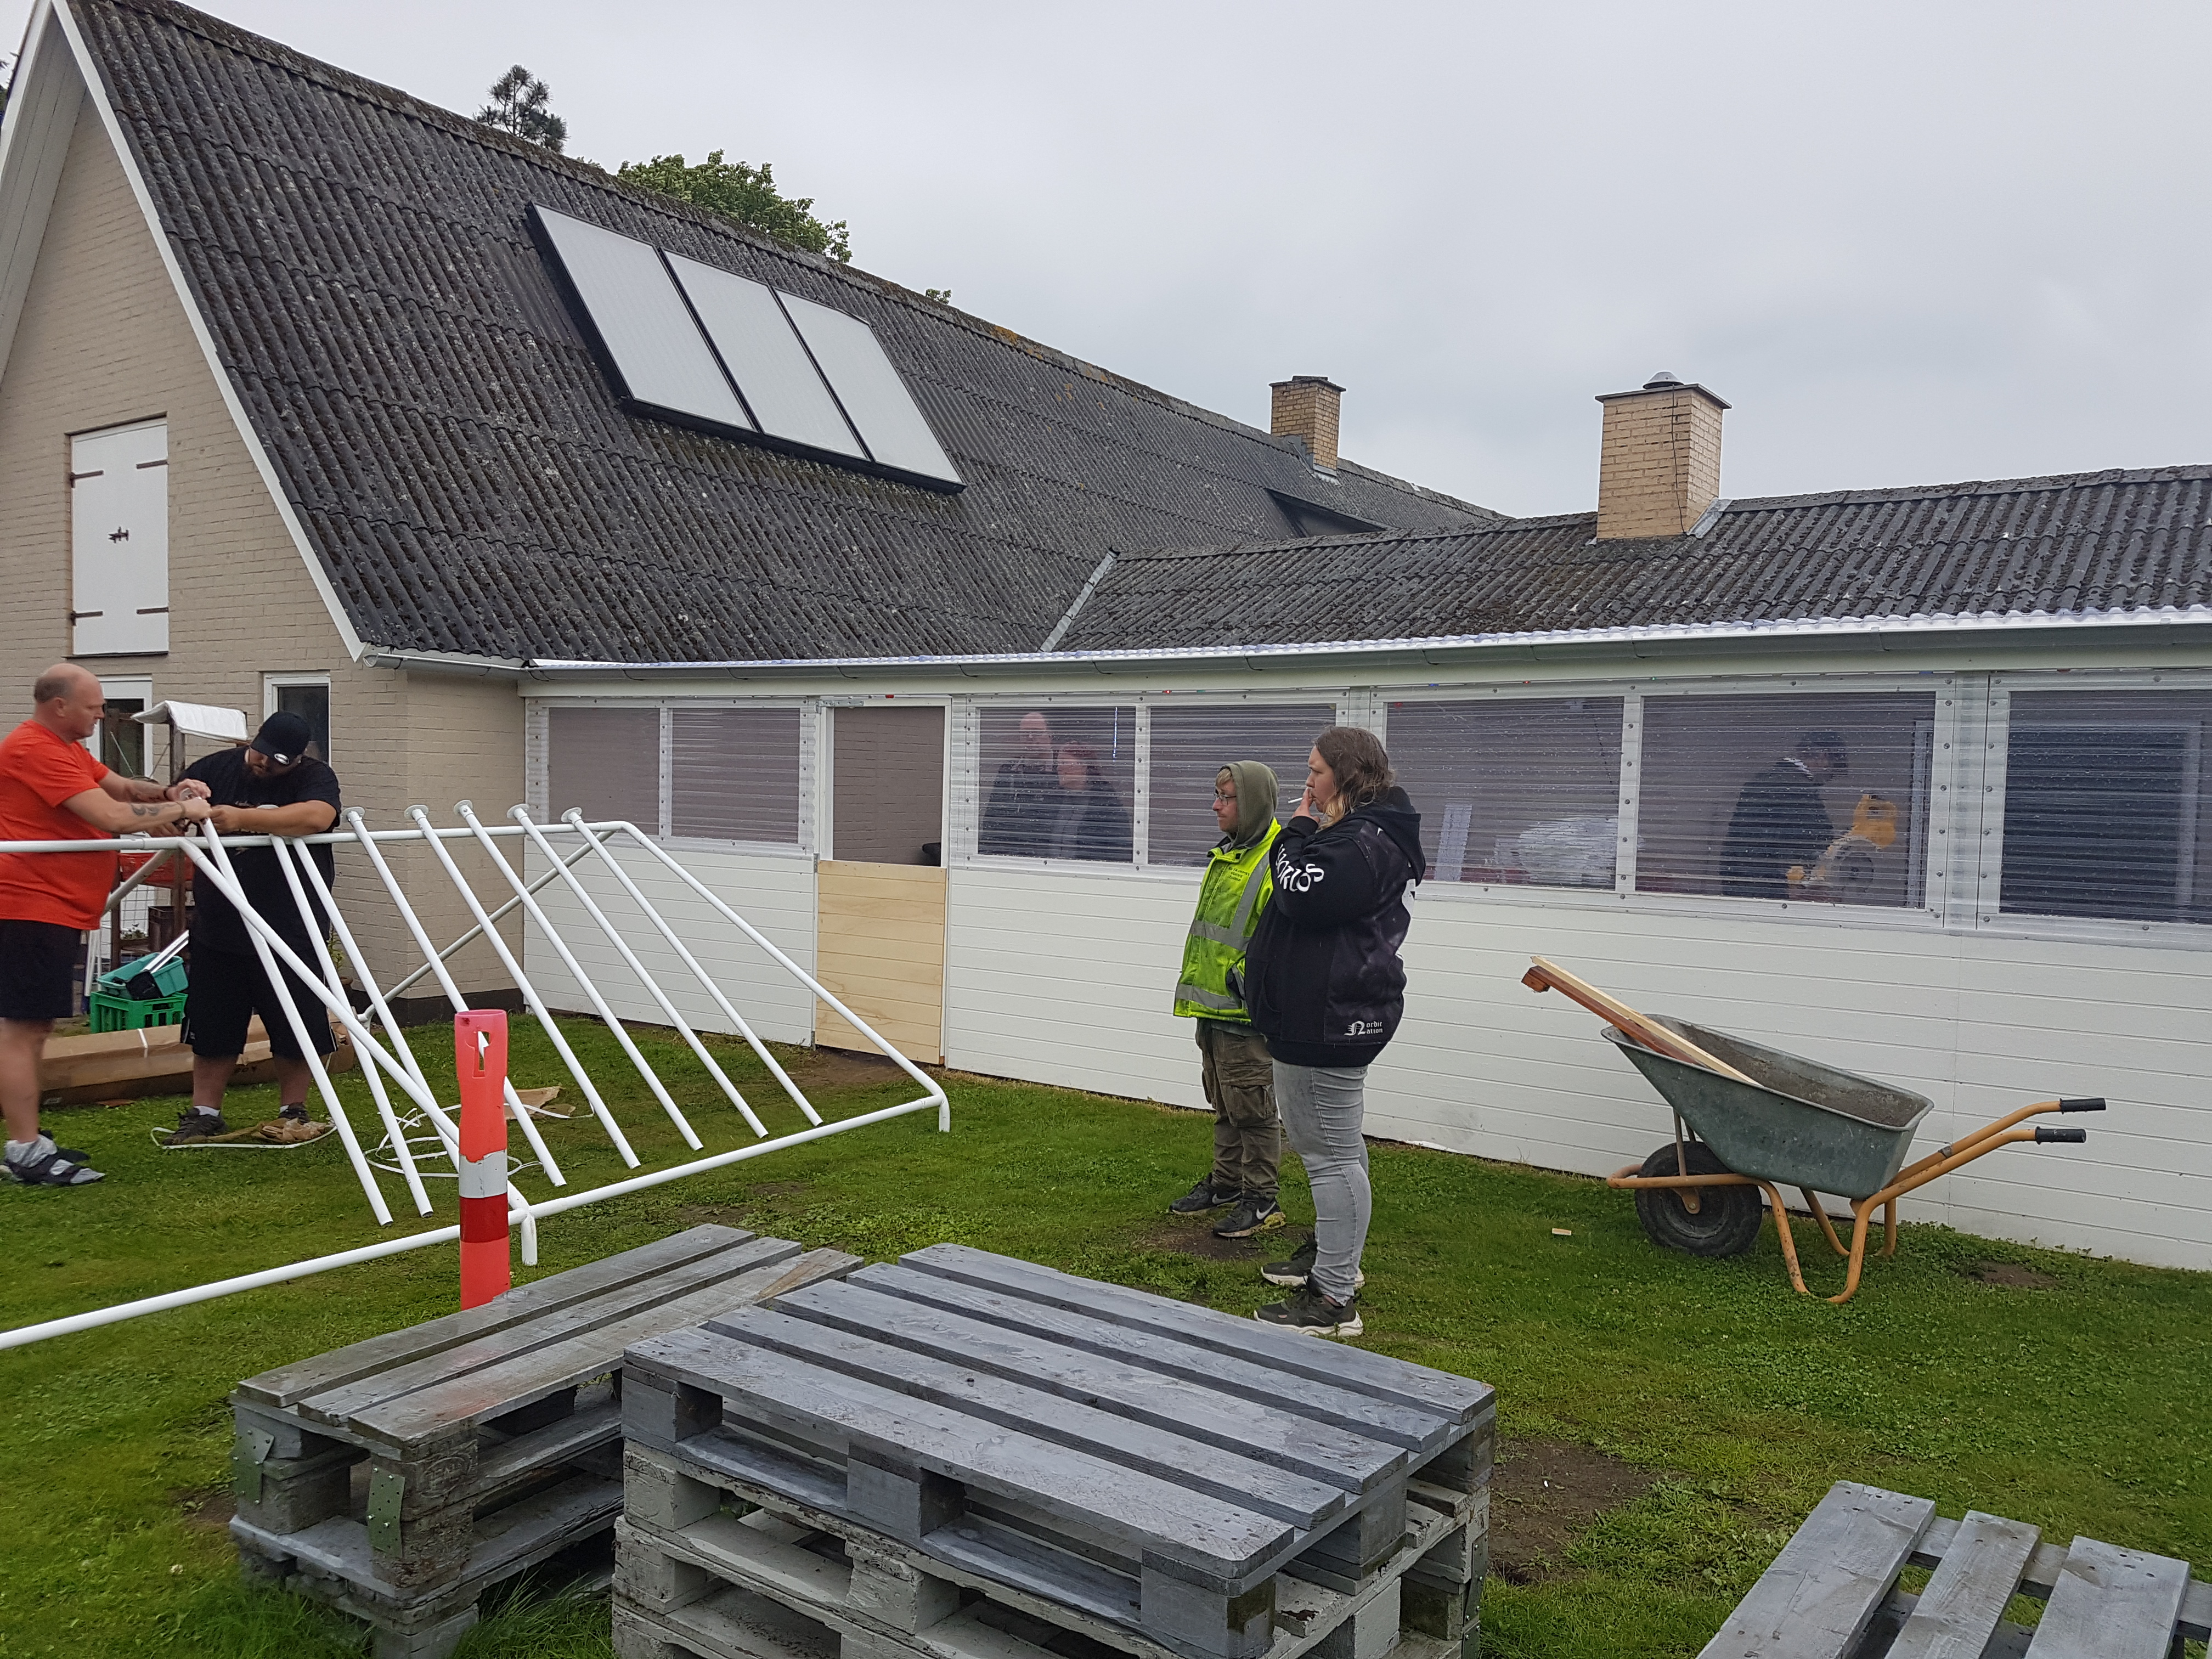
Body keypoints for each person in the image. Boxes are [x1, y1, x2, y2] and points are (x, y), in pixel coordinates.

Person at [1243, 725, 1424, 1336]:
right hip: (1328, 1014)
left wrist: (1294, 831)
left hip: (1328, 1018)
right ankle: (1335, 1258)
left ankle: (1333, 1298)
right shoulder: (1362, 835)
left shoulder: (1364, 842)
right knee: (1337, 1149)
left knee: (1328, 1156)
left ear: (1345, 776)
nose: (1308, 783)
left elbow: (1300, 892)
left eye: (1316, 771)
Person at [0, 665, 212, 1186]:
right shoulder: (35, 749)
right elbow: (112, 817)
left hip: (54, 906)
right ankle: (24, 1149)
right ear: (60, 707)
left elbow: (121, 788)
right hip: (29, 906)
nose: (101, 716)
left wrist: (169, 793)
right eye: (94, 708)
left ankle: (29, 1138)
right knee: (22, 1030)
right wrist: (190, 807)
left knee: (36, 1027)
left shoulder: (68, 749)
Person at [168, 710, 343, 1143]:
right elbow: (174, 806)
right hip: (220, 922)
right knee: (213, 1023)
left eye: (278, 762)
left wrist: (242, 820)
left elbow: (318, 817)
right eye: (261, 754)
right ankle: (205, 1111)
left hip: (291, 926)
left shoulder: (316, 777)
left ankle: (293, 1110)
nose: (265, 764)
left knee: (296, 1022)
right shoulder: (216, 768)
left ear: (297, 760)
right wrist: (181, 799)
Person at [1167, 761, 1285, 1240]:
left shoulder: (1277, 859)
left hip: (1244, 1014)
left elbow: (1280, 942)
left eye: (1226, 797)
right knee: (1224, 1101)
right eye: (1216, 795)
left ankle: (1262, 1199)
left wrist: (1244, 982)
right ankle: (1226, 1184)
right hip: (1213, 1009)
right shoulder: (1229, 855)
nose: (1215, 806)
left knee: (1253, 1109)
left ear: (1252, 803)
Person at [1718, 730, 1847, 900]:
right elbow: (1806, 844)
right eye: (1832, 771)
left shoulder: (1767, 780)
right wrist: (1788, 886)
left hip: (1742, 883)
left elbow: (1748, 842)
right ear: (1824, 757)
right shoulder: (1796, 789)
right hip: (1768, 890)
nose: (1829, 779)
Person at [979, 711, 1057, 855]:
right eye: (1025, 733)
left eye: (1037, 733)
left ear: (1050, 735)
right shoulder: (1009, 769)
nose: (1030, 738)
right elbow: (993, 817)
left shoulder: (1062, 770)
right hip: (1008, 852)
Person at [1044, 740, 1132, 861]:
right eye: (1058, 763)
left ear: (1084, 766)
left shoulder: (1106, 806)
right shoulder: (1053, 802)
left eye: (1064, 762)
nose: (1059, 768)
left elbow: (1119, 851)